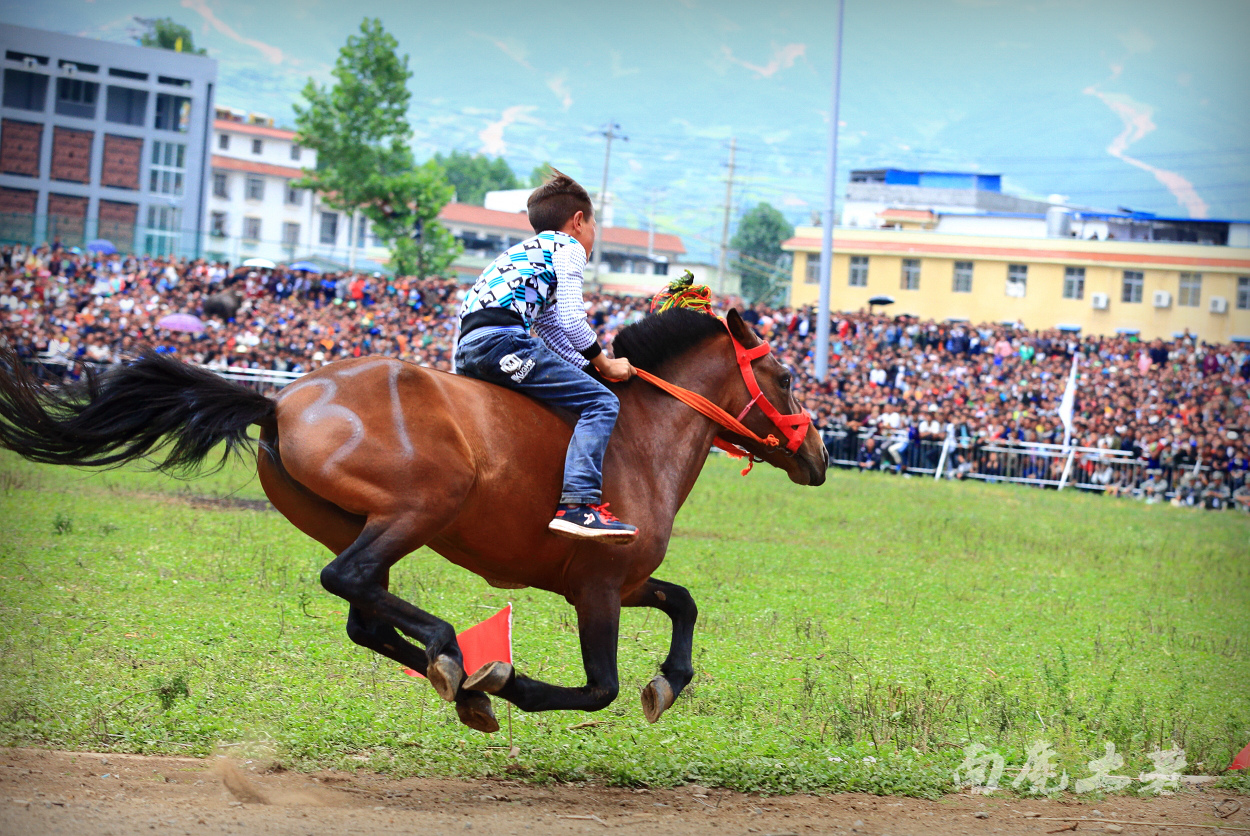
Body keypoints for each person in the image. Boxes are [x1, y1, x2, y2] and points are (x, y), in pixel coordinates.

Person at [454, 169, 638, 543]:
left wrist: (588, 368)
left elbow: (553, 331)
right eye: (593, 228)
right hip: (503, 344)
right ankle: (579, 507)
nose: (591, 238)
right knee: (601, 403)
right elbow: (572, 318)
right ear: (578, 222)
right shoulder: (567, 247)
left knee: (587, 390)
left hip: (469, 348)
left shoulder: (527, 253)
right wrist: (604, 365)